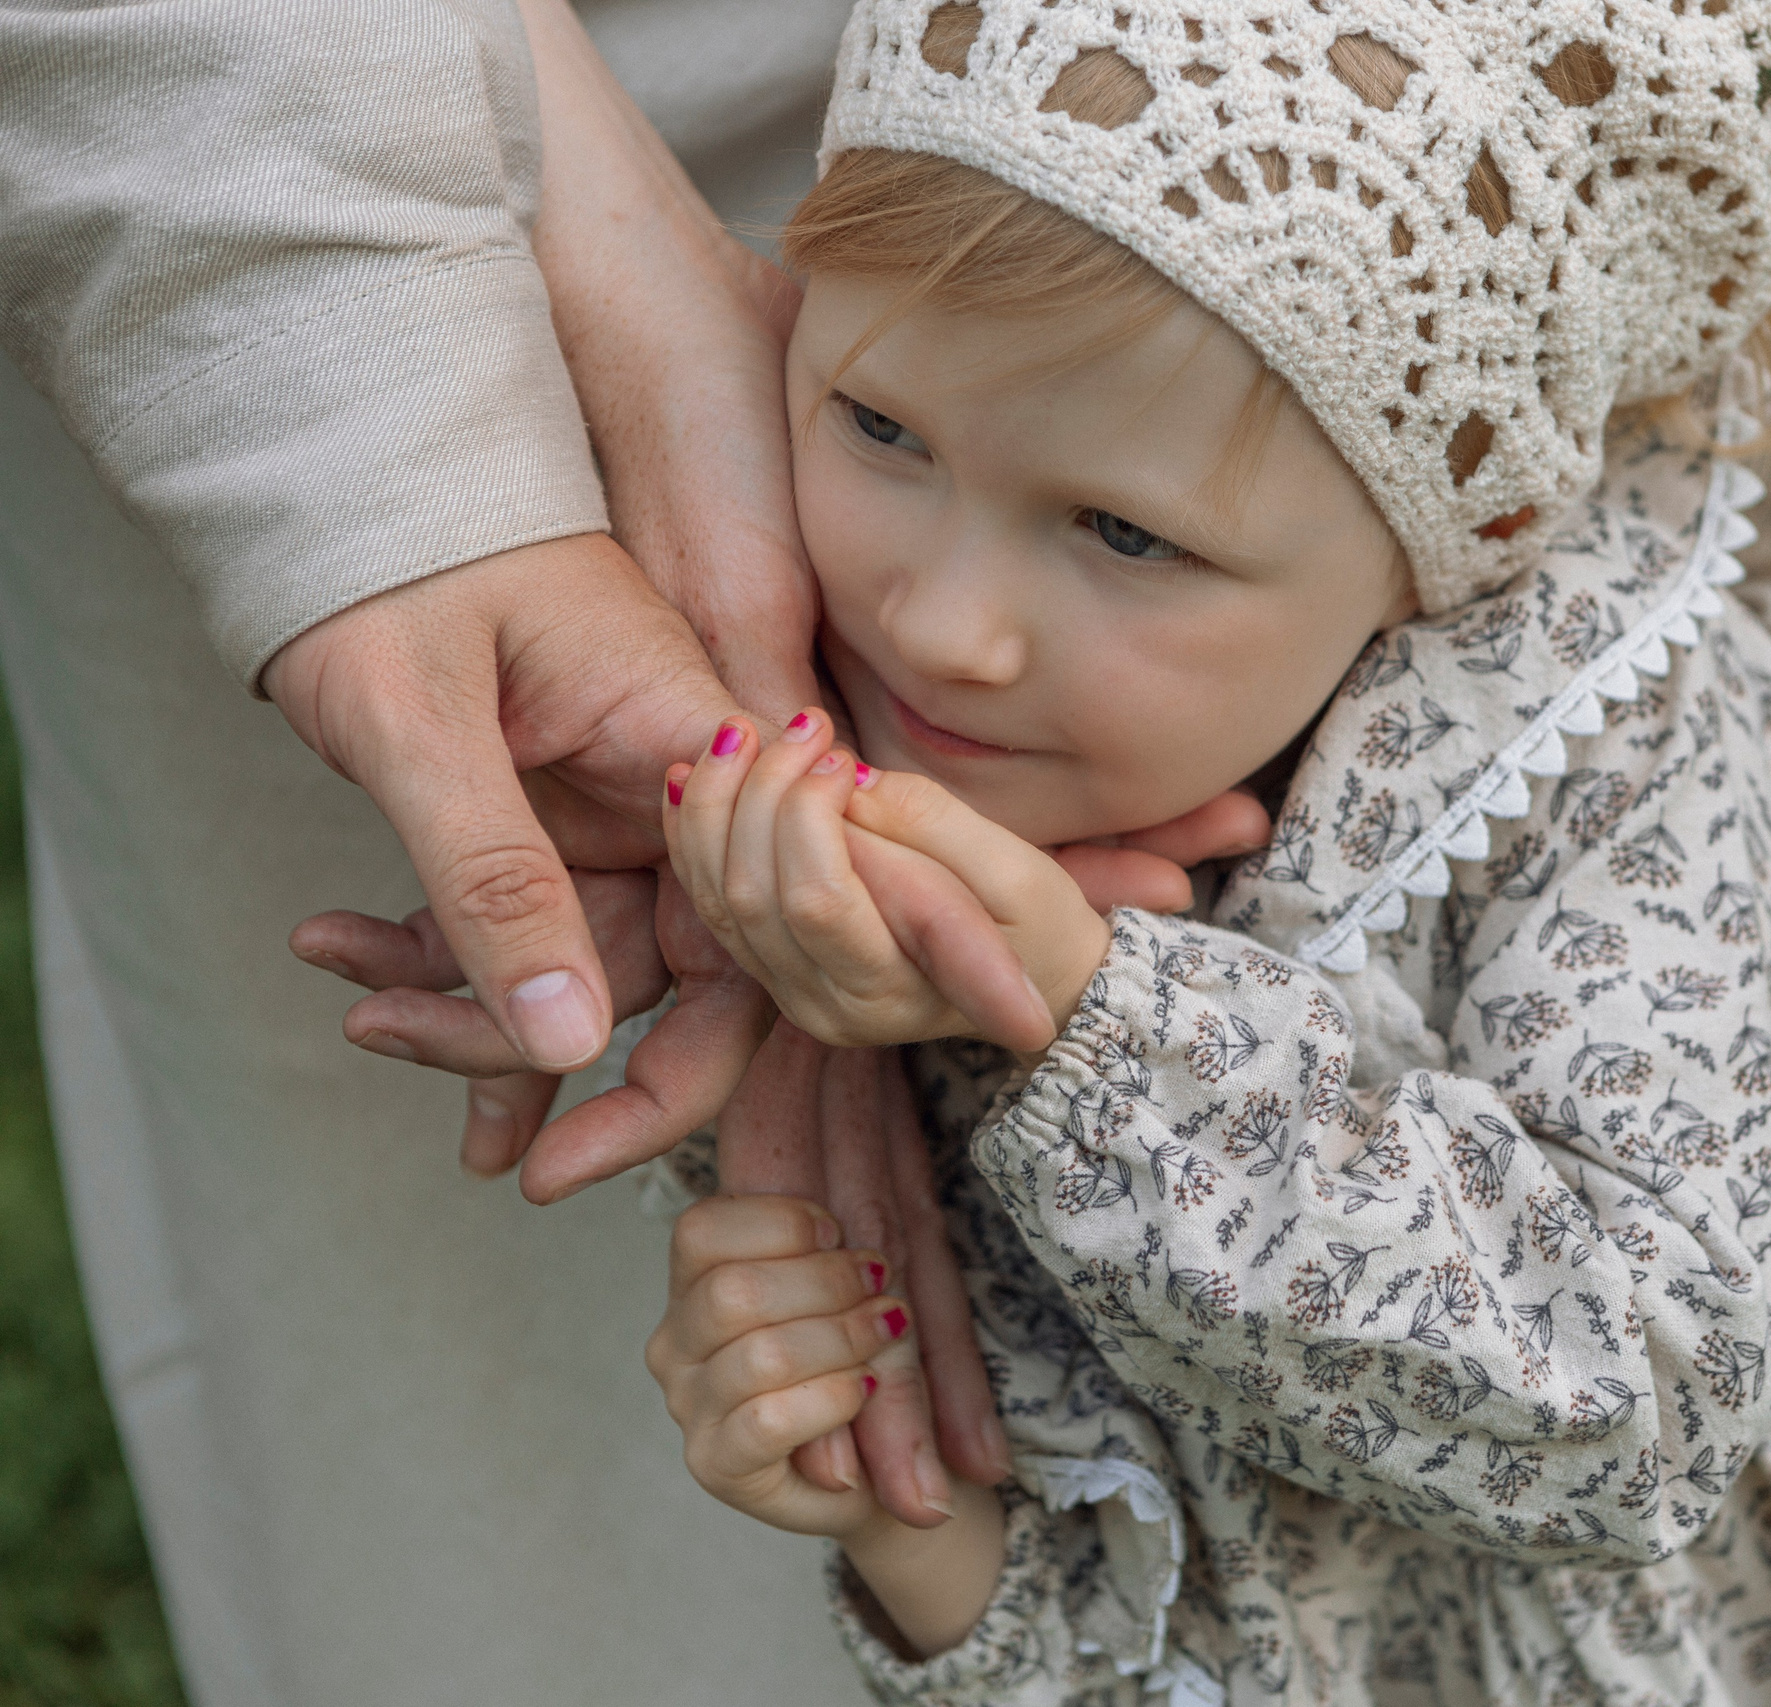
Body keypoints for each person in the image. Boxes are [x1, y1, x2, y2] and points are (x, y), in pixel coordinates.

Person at [638, 0, 1771, 1700]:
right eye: (878, 423)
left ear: (1462, 528)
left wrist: (1086, 1029)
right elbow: (1185, 1597)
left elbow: (1642, 1402)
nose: (945, 622)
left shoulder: (1600, 751)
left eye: (1127, 538)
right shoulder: (823, 791)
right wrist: (912, 1522)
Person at [0, 0, 1188, 1697]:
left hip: (1128, 146)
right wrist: (398, 399)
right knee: (485, 1409)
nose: (945, 630)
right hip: (234, 88)